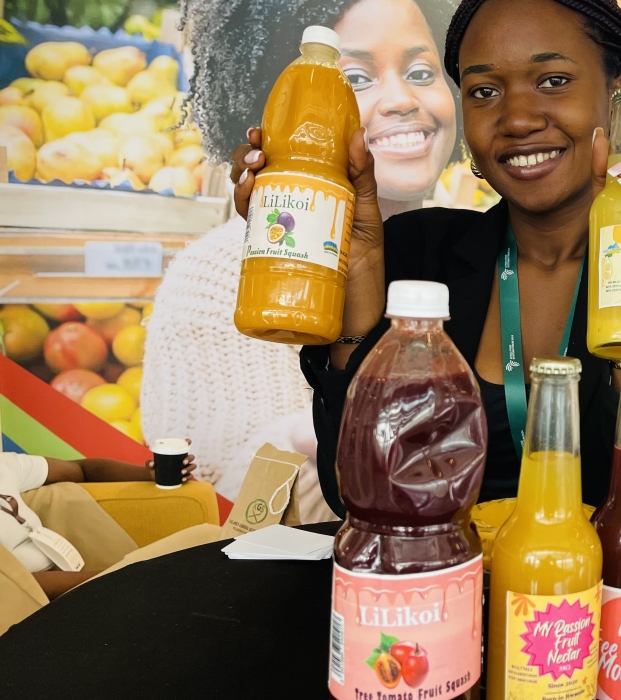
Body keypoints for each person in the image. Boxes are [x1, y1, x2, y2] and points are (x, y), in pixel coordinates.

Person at [232, 0, 621, 514]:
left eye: (553, 80)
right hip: (432, 584)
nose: (517, 119)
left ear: (617, 92)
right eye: (485, 91)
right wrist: (359, 264)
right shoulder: (417, 249)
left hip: (591, 591)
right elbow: (354, 494)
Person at [142, 0, 459, 506]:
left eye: (421, 71)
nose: (401, 99)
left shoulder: (469, 251)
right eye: (354, 79)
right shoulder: (215, 279)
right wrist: (320, 430)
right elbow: (209, 494)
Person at [0, 449, 213, 633]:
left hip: (79, 578)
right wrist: (115, 578)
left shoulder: (5, 464)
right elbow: (14, 586)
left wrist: (147, 473)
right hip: (29, 604)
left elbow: (81, 470)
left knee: (207, 538)